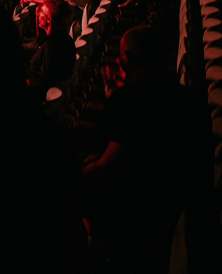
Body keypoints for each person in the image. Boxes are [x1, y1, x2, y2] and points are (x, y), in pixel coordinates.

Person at [82, 26, 213, 272]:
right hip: (178, 212)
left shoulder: (136, 102)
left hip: (144, 217)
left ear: (127, 60)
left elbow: (109, 167)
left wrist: (77, 171)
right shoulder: (193, 100)